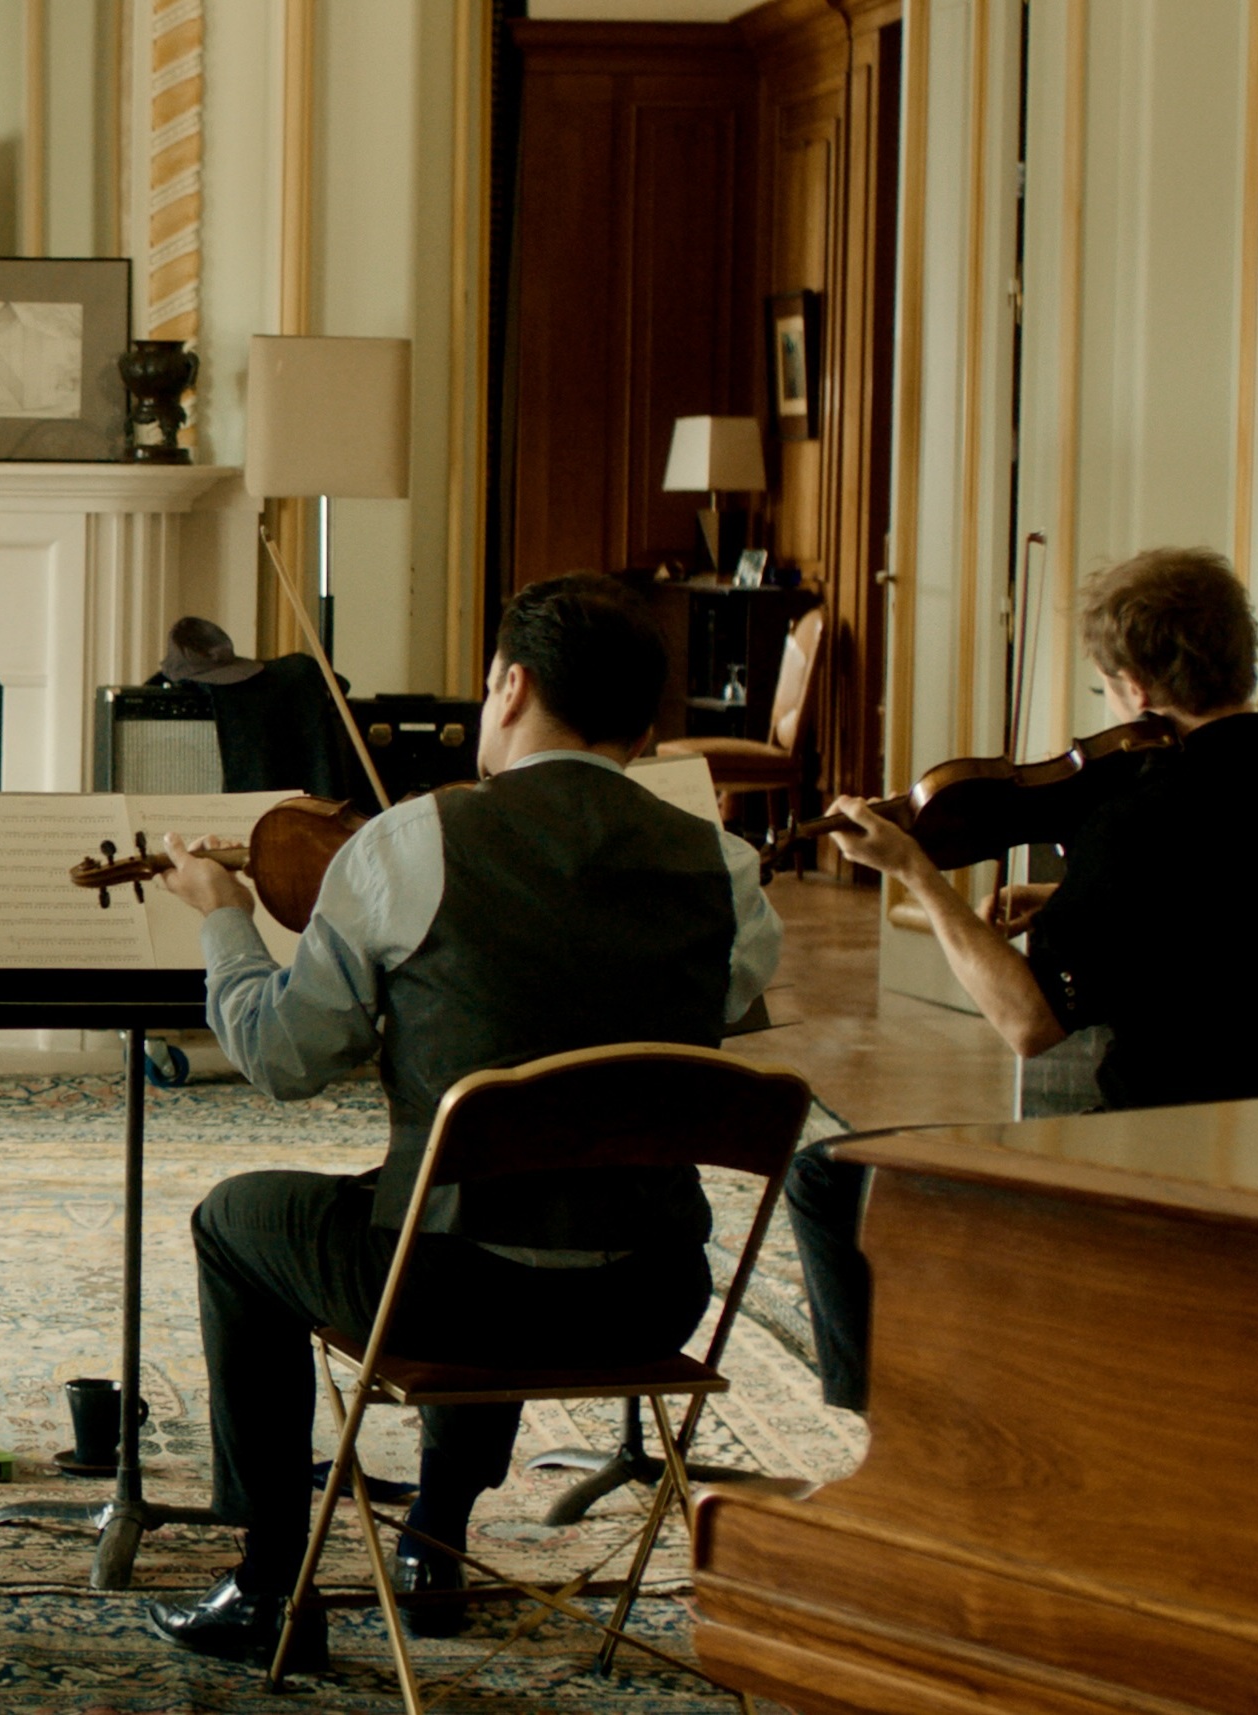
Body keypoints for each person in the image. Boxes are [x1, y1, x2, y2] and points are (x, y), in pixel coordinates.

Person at [142, 572, 782, 1662]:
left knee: (238, 1219)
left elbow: (284, 1058)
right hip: (646, 1294)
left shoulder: (407, 844)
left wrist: (225, 922)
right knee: (496, 1193)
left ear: (510, 684)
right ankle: (432, 1541)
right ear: (641, 722)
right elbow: (698, 1031)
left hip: (452, 1296)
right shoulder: (726, 870)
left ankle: (265, 1585)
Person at [789, 547, 1258, 1409]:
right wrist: (1075, 900)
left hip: (1153, 1169)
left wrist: (917, 874)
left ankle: (899, 1446)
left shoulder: (1141, 822)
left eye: (1106, 684)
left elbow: (1027, 1022)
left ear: (1138, 685)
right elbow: (1235, 921)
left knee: (823, 1177)